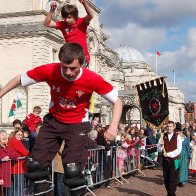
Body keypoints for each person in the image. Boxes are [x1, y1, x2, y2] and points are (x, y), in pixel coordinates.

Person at [0, 42, 123, 195]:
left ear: (82, 63)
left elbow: (117, 101)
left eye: (73, 68)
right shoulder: (50, 70)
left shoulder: (92, 78)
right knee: (35, 164)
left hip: (77, 124)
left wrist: (112, 127)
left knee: (73, 170)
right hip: (54, 121)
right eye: (64, 67)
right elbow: (20, 78)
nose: (68, 72)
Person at [44, 0, 93, 67]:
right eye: (65, 18)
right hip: (70, 56)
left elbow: (91, 16)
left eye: (69, 17)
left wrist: (84, 3)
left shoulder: (81, 22)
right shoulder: (62, 25)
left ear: (75, 16)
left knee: (76, 73)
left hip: (82, 57)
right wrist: (51, 11)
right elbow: (47, 24)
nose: (67, 20)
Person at [158, 121, 182, 196]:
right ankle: (170, 193)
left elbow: (179, 149)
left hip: (176, 160)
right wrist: (161, 147)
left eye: (170, 126)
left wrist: (168, 154)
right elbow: (158, 148)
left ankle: (171, 194)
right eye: (168, 126)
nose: (169, 128)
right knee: (166, 178)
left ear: (174, 127)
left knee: (173, 178)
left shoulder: (177, 136)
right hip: (166, 161)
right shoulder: (163, 136)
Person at [7, 128, 30, 196]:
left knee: (13, 189)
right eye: (18, 134)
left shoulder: (10, 141)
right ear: (14, 135)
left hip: (12, 169)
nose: (20, 136)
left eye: (21, 135)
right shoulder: (16, 141)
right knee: (19, 188)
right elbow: (26, 153)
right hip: (18, 169)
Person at [0, 130, 19, 196]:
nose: (4, 137)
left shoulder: (8, 147)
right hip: (1, 176)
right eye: (2, 135)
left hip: (7, 176)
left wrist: (9, 156)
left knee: (9, 192)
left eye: (5, 135)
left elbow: (16, 155)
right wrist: (0, 178)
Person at [175, 122, 191, 187]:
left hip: (183, 155)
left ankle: (181, 181)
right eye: (176, 131)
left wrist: (188, 156)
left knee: (182, 168)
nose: (177, 132)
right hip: (176, 155)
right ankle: (176, 180)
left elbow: (187, 148)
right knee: (176, 167)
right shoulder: (174, 138)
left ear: (181, 131)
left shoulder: (185, 139)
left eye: (178, 131)